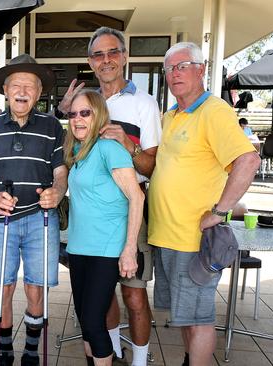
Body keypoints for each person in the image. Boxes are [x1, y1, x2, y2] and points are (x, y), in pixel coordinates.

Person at [148, 42, 260, 366]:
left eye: (182, 66)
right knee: (185, 316)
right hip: (167, 236)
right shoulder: (170, 116)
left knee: (199, 317)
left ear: (201, 69)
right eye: (169, 68)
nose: (174, 73)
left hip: (193, 240)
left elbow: (248, 160)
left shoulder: (214, 111)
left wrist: (221, 211)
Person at [57, 26, 161, 366]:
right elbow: (72, 142)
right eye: (98, 54)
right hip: (84, 240)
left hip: (122, 223)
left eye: (113, 52)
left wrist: (127, 144)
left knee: (133, 295)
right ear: (90, 61)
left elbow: (152, 166)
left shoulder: (143, 103)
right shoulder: (81, 120)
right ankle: (111, 356)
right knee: (96, 312)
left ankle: (140, 361)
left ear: (124, 56)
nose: (106, 60)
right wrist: (68, 110)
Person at [0, 54, 67, 366]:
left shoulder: (53, 126)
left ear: (39, 93)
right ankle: (4, 351)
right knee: (3, 287)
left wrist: (58, 191)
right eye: (16, 84)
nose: (22, 90)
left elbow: (60, 172)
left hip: (40, 218)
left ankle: (30, 349)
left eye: (30, 85)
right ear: (5, 89)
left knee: (35, 288)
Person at [64, 89, 143, 366]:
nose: (78, 119)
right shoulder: (76, 151)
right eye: (73, 114)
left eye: (85, 112)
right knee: (85, 321)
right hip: (79, 246)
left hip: (107, 247)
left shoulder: (109, 148)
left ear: (99, 115)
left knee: (93, 321)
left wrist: (130, 249)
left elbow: (137, 196)